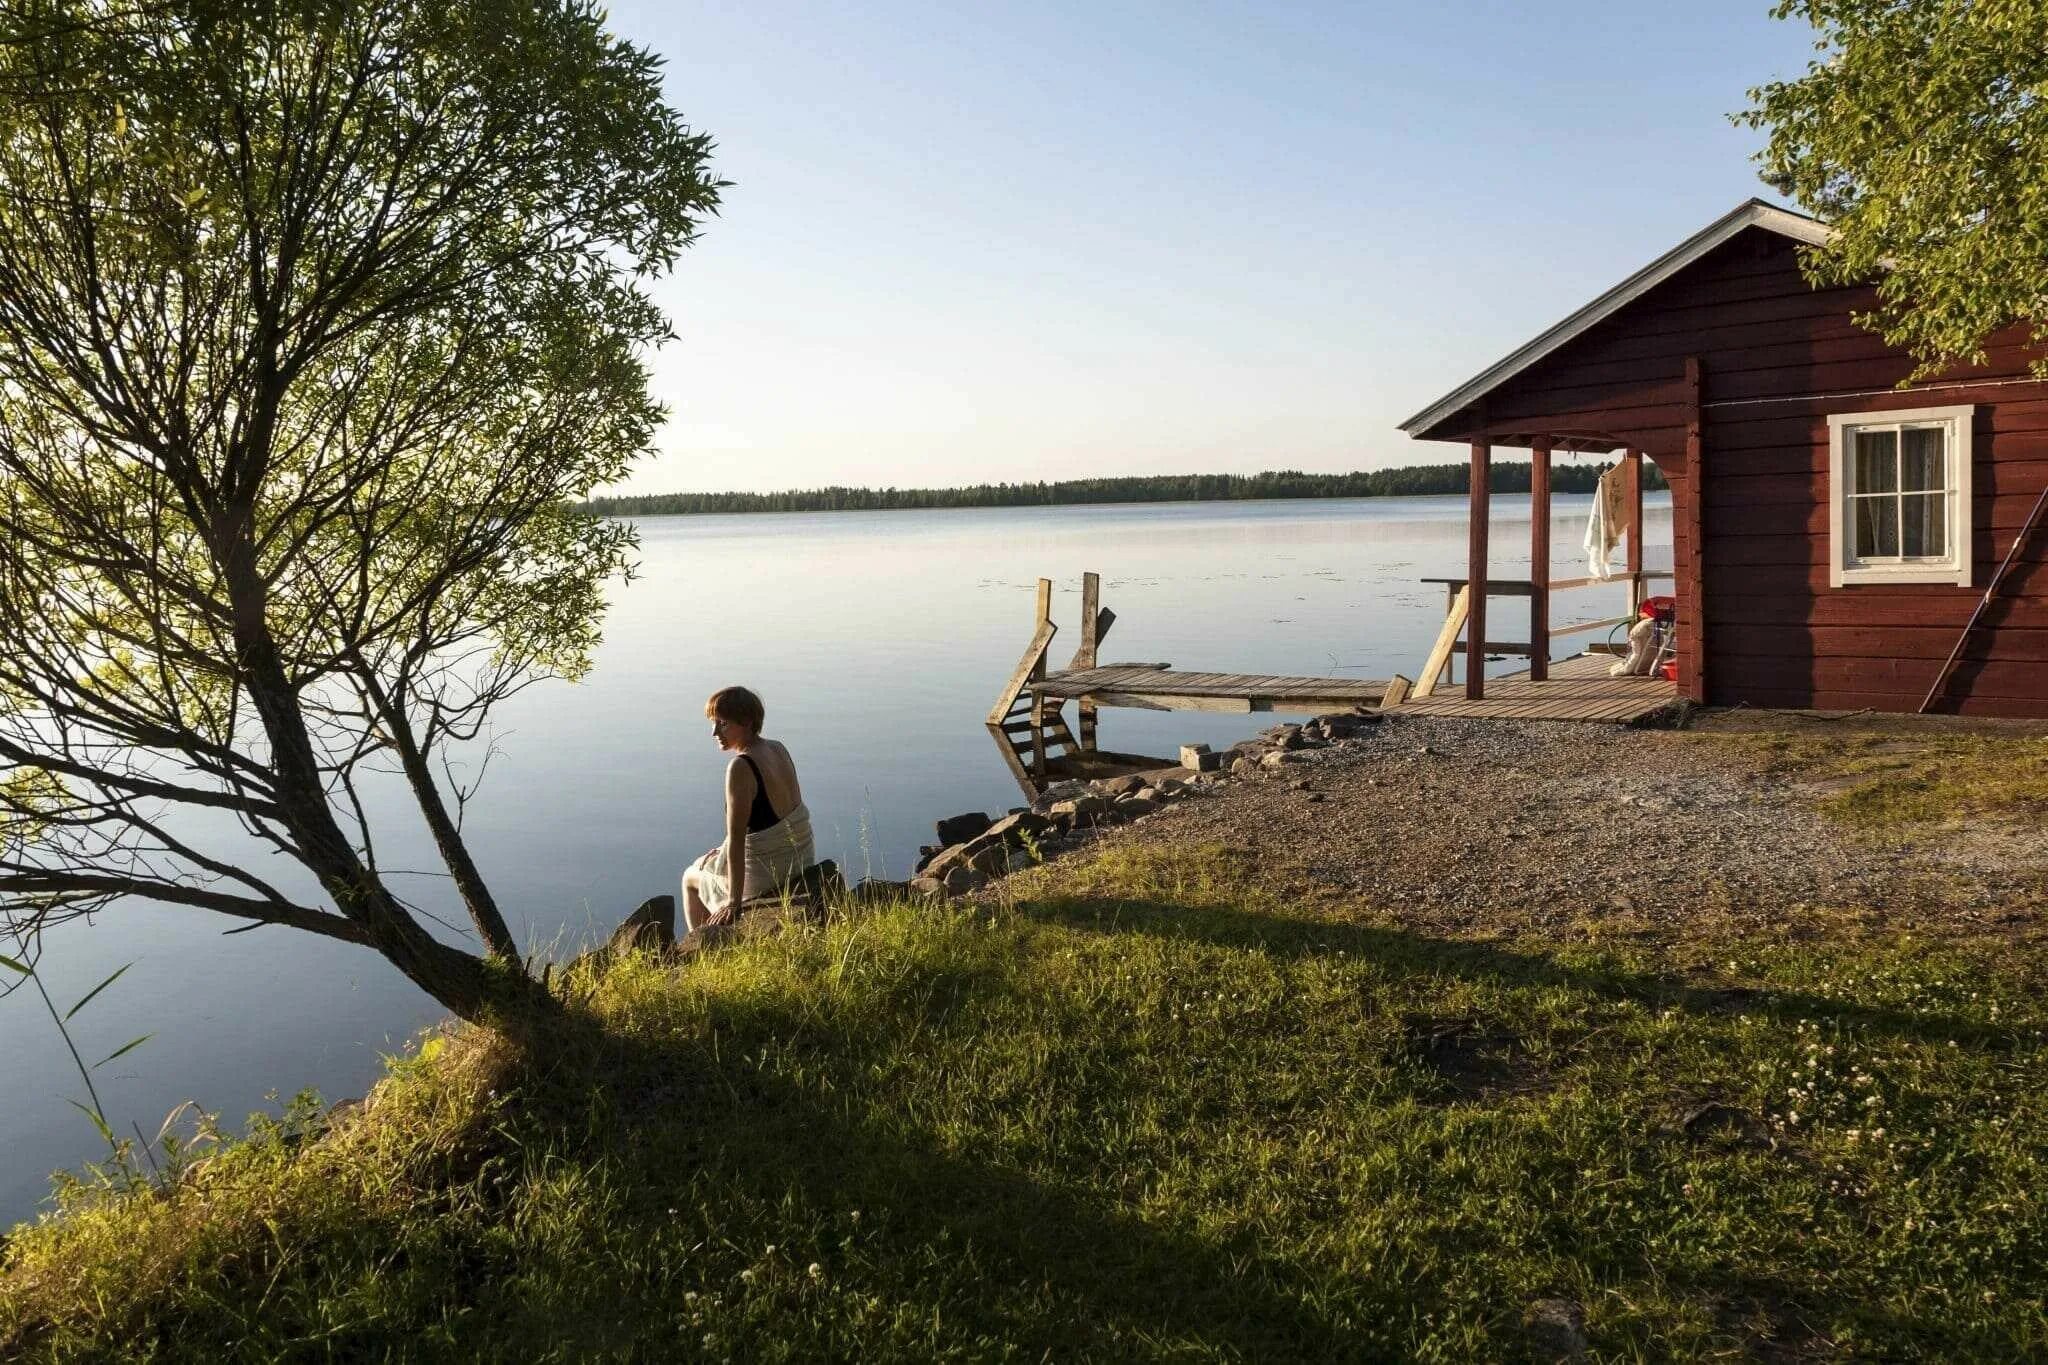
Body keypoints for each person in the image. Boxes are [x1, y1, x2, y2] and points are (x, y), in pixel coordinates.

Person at [681, 686, 815, 933]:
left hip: (769, 876)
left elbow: (738, 839)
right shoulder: (777, 748)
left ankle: (702, 946)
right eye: (713, 723)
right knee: (707, 860)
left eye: (723, 724)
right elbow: (773, 819)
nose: (714, 732)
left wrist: (733, 902)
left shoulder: (741, 767)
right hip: (800, 860)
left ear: (747, 722)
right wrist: (720, 852)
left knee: (690, 876)